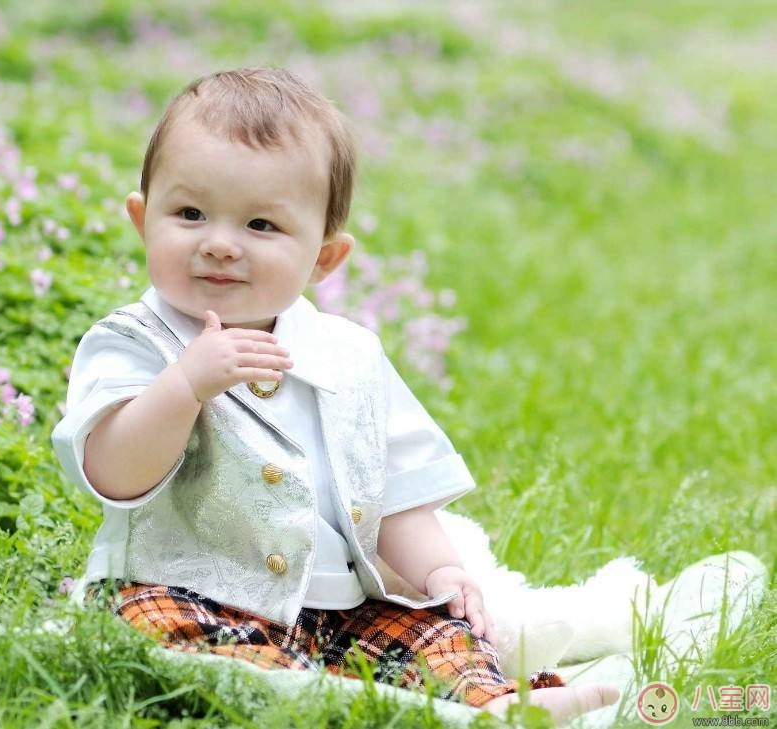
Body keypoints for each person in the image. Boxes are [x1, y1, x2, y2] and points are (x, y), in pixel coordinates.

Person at [52, 67, 618, 721]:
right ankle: (293, 688)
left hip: (337, 605)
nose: (218, 243)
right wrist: (183, 385)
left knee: (432, 632)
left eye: (260, 225)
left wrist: (441, 572)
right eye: (189, 213)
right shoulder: (133, 341)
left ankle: (499, 702)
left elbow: (395, 494)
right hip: (186, 587)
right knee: (164, 636)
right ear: (141, 218)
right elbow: (113, 471)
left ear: (324, 258)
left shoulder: (349, 355)